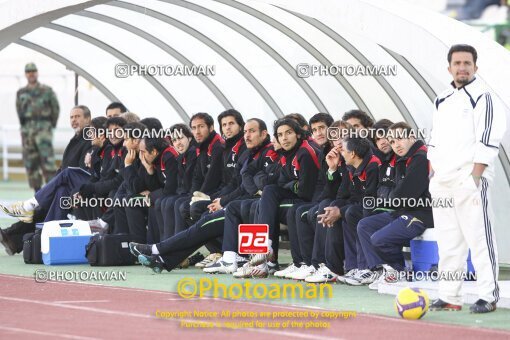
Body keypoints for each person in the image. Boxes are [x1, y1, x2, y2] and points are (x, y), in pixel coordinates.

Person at [428, 44, 506, 313]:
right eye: (457, 63)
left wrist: (474, 178)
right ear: (449, 67)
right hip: (442, 183)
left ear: (475, 67)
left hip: (469, 179)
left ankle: (488, 295)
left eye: (467, 63)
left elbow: (488, 140)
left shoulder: (485, 97)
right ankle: (450, 295)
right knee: (448, 242)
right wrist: (434, 176)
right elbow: (434, 142)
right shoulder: (441, 98)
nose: (462, 67)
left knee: (480, 239)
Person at [357, 122, 432, 290]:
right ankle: (383, 269)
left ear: (411, 137)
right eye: (392, 141)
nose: (396, 144)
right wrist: (395, 196)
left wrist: (395, 196)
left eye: (399, 138)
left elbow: (406, 194)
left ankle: (399, 271)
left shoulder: (421, 157)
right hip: (402, 210)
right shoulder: (403, 159)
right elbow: (399, 193)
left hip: (420, 214)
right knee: (365, 225)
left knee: (379, 239)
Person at [16, 62, 59, 192]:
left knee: (48, 163)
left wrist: (49, 125)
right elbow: (19, 111)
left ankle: (51, 193)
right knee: (31, 164)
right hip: (27, 132)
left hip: (43, 130)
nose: (31, 74)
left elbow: (55, 109)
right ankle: (38, 195)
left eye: (33, 71)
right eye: (28, 71)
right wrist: (25, 127)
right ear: (25, 74)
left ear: (37, 73)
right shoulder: (21, 92)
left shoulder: (47, 90)